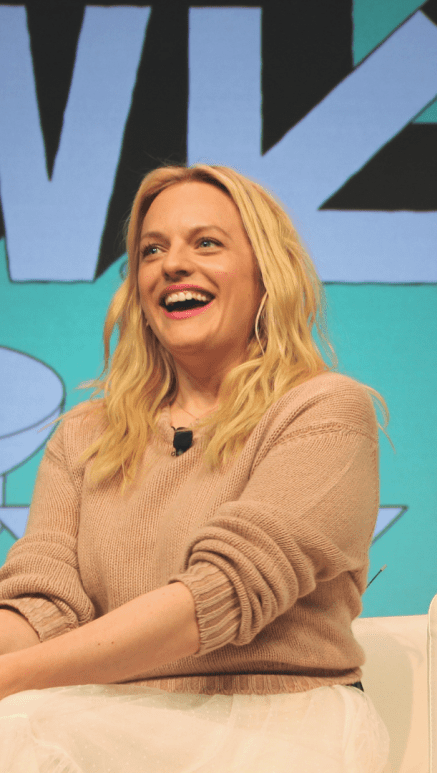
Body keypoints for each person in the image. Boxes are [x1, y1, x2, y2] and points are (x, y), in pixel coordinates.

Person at [0, 164, 390, 772]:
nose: (171, 265)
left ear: (267, 273)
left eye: (206, 242)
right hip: (107, 718)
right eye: (151, 250)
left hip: (281, 722)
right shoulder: (85, 433)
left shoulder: (324, 410)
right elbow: (43, 602)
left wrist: (12, 679)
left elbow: (221, 594)